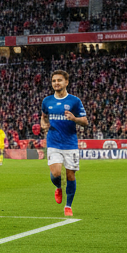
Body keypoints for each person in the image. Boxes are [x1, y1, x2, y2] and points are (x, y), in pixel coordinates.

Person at [40, 69, 88, 218]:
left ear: (66, 82)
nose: (56, 83)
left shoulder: (74, 101)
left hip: (70, 143)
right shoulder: (47, 101)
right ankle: (58, 187)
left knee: (70, 175)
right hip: (53, 141)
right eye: (54, 81)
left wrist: (75, 119)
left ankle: (68, 206)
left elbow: (85, 122)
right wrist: (43, 124)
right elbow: (43, 116)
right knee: (56, 173)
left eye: (59, 80)